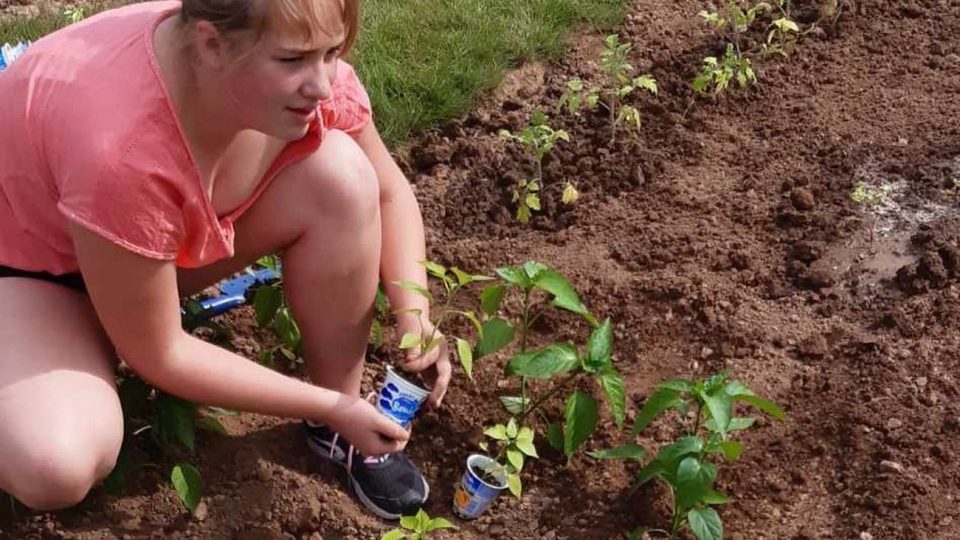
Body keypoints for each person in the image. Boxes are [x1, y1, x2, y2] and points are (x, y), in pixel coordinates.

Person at [0, 0, 450, 520]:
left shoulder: (278, 50)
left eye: (331, 52)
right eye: (294, 60)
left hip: (128, 243)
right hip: (32, 266)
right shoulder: (122, 147)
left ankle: (336, 432)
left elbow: (388, 191)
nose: (323, 83)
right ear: (212, 43)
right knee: (54, 460)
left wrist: (413, 313)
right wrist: (322, 402)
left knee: (343, 178)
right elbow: (161, 353)